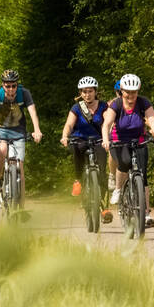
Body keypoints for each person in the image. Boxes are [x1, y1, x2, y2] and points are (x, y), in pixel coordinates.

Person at [100, 73, 154, 228]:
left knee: (142, 175)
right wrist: (105, 139)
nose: (131, 95)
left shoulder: (143, 103)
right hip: (118, 141)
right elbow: (107, 124)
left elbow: (152, 119)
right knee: (125, 162)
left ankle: (144, 212)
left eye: (134, 92)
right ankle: (117, 190)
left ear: (138, 90)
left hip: (139, 141)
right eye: (127, 92)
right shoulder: (116, 105)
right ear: (122, 91)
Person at [0, 68, 43, 193]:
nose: (11, 89)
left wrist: (37, 130)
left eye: (14, 86)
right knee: (2, 149)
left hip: (18, 130)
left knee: (20, 167)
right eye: (8, 86)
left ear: (17, 85)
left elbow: (33, 113)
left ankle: (20, 206)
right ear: (3, 85)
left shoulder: (24, 93)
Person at [59, 76, 113, 223]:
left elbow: (107, 121)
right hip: (80, 139)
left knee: (102, 173)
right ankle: (78, 181)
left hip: (98, 140)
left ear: (95, 91)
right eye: (84, 91)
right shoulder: (77, 107)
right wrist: (65, 136)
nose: (87, 94)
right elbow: (69, 124)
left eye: (90, 91)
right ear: (80, 93)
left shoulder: (103, 106)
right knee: (76, 150)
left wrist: (107, 136)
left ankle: (104, 207)